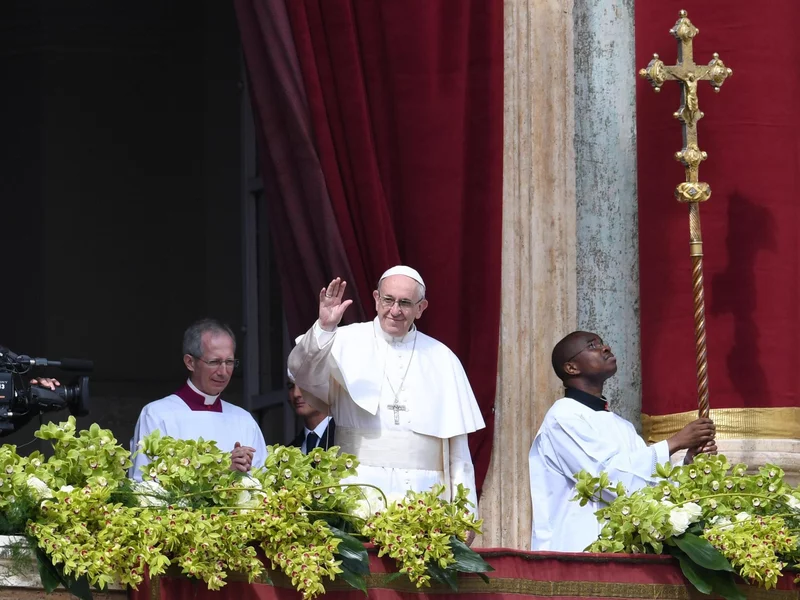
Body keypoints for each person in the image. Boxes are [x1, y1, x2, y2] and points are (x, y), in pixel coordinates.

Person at [288, 266, 485, 515]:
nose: (395, 310)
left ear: (421, 308)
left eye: (404, 303)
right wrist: (324, 328)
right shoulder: (344, 340)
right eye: (388, 300)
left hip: (425, 499)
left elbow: (458, 448)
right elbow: (302, 371)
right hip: (356, 492)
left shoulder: (442, 358)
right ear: (376, 299)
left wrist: (466, 509)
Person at [529, 331, 717, 552]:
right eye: (592, 346)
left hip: (623, 548)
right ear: (571, 368)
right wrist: (674, 443)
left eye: (602, 343)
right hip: (578, 547)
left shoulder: (622, 425)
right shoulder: (563, 417)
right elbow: (604, 478)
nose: (605, 348)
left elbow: (645, 486)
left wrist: (688, 464)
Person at [129, 318, 268, 480]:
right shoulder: (157, 415)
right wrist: (221, 470)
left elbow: (263, 483)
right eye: (214, 362)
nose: (223, 372)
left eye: (229, 362)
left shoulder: (244, 420)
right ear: (190, 362)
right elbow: (145, 485)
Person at [287, 375, 335, 453]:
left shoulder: (347, 439)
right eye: (291, 386)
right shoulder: (288, 453)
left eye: (304, 385)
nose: (296, 394)